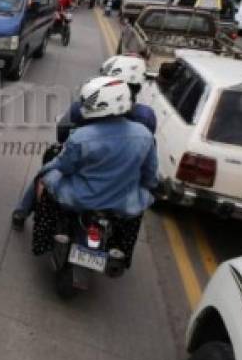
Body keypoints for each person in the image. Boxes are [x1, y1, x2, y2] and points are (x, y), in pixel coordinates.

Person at [11, 55, 156, 229]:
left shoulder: (85, 108)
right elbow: (149, 165)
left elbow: (62, 137)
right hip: (124, 190)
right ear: (138, 87)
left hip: (82, 184)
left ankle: (23, 212)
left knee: (46, 171)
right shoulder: (145, 120)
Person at [30, 76, 158, 256]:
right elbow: (150, 175)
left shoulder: (81, 136)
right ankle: (122, 249)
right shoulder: (144, 135)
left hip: (80, 198)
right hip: (124, 203)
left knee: (47, 189)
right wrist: (149, 188)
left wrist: (46, 170)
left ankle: (42, 241)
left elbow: (65, 167)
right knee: (136, 216)